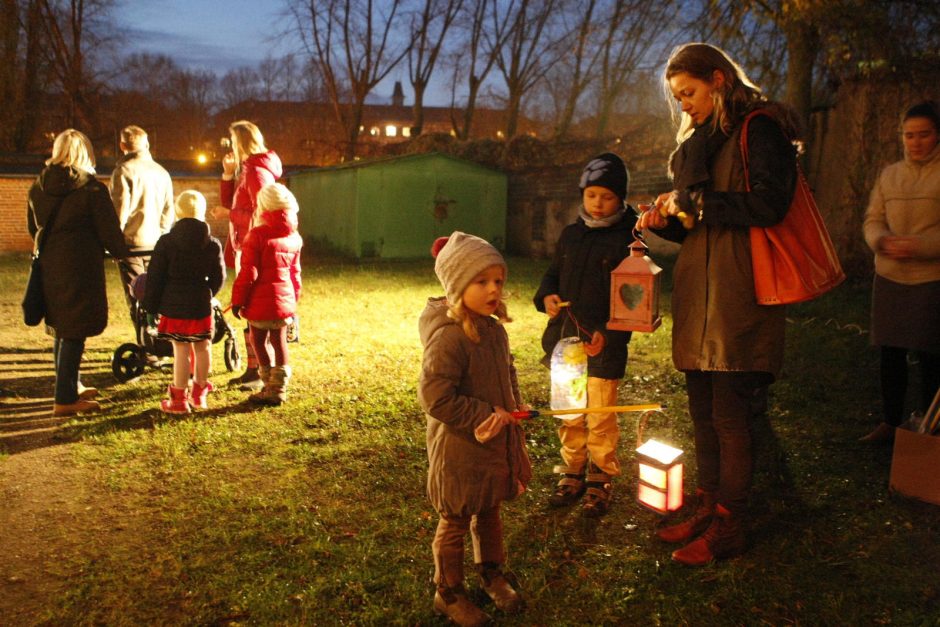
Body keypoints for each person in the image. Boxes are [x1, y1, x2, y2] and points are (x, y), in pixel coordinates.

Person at [636, 43, 800, 565]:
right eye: (677, 97)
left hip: (739, 292)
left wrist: (697, 204)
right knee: (702, 410)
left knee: (730, 414)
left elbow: (772, 205)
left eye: (689, 93)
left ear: (718, 79)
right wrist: (670, 222)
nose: (683, 104)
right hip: (699, 291)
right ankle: (708, 507)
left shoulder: (760, 128)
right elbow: (699, 232)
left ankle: (731, 523)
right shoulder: (700, 143)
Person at [418, 232, 532, 626]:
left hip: (493, 444)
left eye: (497, 281)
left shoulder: (493, 330)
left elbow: (507, 373)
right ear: (456, 285)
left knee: (489, 509)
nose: (492, 290)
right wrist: (485, 412)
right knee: (454, 518)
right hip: (460, 449)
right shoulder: (449, 338)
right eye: (481, 282)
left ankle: (491, 573)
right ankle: (447, 592)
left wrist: (514, 407)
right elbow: (436, 397)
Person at [533, 153, 637, 517]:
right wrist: (546, 295)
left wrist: (609, 334)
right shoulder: (571, 235)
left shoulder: (629, 239)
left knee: (601, 413)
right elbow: (552, 274)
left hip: (603, 347)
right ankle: (573, 469)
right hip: (566, 343)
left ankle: (601, 475)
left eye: (606, 196)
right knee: (569, 411)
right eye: (591, 195)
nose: (597, 203)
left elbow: (634, 298)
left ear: (621, 198)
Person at [26, 129, 131, 416]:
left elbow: (32, 228)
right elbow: (109, 231)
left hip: (50, 266)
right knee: (74, 332)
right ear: (85, 153)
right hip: (80, 269)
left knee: (61, 328)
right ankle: (64, 399)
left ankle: (70, 384)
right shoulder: (91, 189)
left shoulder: (38, 186)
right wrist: (121, 251)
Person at [860, 100, 940, 442]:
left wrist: (919, 246)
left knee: (930, 356)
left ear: (937, 135)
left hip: (930, 279)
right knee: (890, 354)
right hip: (890, 276)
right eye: (909, 135)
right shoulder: (890, 175)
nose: (916, 142)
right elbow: (873, 218)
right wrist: (881, 240)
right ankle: (890, 424)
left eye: (923, 134)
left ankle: (929, 430)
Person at [142, 191, 225, 414]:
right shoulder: (212, 244)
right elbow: (219, 277)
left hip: (174, 304)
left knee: (181, 349)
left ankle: (178, 399)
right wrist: (209, 293)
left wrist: (151, 307)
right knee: (203, 347)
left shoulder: (166, 242)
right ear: (201, 212)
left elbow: (155, 277)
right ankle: (199, 393)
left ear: (178, 212)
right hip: (200, 303)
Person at [220, 120, 283, 391]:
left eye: (232, 140)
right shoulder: (247, 170)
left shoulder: (257, 172)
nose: (229, 145)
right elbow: (235, 201)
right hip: (243, 244)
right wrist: (227, 175)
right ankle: (253, 368)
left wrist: (229, 216)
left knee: (255, 310)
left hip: (253, 247)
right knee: (249, 310)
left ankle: (260, 371)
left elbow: (263, 213)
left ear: (241, 142)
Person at [230, 183, 303, 406]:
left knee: (258, 340)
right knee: (280, 341)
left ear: (263, 206)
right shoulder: (294, 237)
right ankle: (278, 388)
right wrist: (293, 300)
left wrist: (238, 300)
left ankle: (267, 382)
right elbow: (295, 273)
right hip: (283, 302)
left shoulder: (257, 235)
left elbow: (248, 273)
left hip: (259, 303)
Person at [109, 125, 174, 298]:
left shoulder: (123, 171)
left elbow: (119, 212)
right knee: (155, 294)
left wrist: (114, 243)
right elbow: (168, 210)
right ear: (147, 145)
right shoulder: (162, 172)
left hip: (131, 243)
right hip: (156, 242)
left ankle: (144, 325)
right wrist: (162, 235)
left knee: (136, 295)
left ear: (122, 146)